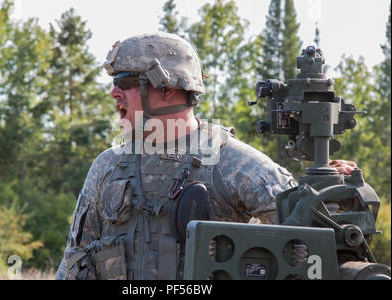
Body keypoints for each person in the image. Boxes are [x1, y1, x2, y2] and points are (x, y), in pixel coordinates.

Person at [55, 32, 355, 280]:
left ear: (168, 88)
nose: (114, 93)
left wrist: (328, 191)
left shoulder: (234, 163)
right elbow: (76, 260)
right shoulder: (108, 165)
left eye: (125, 82)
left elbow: (314, 252)